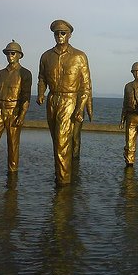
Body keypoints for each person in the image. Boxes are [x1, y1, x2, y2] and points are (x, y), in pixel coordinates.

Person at [37, 20, 92, 185]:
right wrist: (41, 93)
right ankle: (60, 175)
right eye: (56, 33)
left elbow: (86, 86)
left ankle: (63, 182)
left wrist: (79, 108)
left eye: (63, 33)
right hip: (53, 100)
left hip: (70, 99)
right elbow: (41, 77)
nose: (59, 36)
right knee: (57, 143)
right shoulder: (46, 56)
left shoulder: (79, 56)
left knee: (62, 142)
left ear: (69, 35)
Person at [0, 40, 32, 174]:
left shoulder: (25, 73)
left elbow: (26, 97)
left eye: (13, 53)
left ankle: (12, 175)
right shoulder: (1, 73)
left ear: (19, 55)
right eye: (7, 53)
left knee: (12, 146)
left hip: (14, 111)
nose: (10, 55)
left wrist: (22, 116)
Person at [72, 92, 93, 158]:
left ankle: (75, 156)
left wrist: (89, 111)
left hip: (79, 109)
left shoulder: (84, 81)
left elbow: (87, 93)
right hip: (66, 106)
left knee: (75, 135)